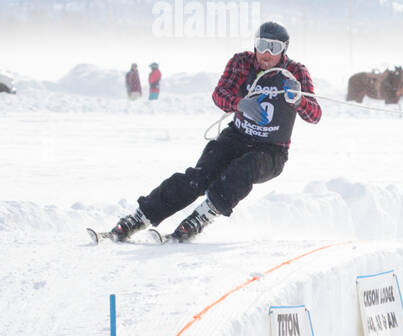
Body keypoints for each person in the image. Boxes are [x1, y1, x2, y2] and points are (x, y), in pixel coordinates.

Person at [103, 22, 321, 243]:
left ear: (284, 49)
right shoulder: (242, 62)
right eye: (262, 45)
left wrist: (299, 99)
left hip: (271, 151)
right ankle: (139, 217)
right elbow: (219, 94)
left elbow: (315, 115)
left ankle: (202, 217)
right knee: (198, 178)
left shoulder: (296, 72)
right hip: (236, 137)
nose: (266, 53)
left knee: (241, 170)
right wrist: (239, 103)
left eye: (274, 48)